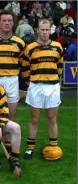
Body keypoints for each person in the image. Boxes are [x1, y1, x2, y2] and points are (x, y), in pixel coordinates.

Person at [21, 19, 64, 160]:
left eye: (47, 30)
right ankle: (30, 149)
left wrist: (52, 79)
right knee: (34, 119)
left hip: (52, 86)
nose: (45, 32)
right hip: (36, 86)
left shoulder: (57, 47)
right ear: (37, 31)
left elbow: (59, 67)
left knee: (52, 118)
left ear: (50, 30)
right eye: (42, 29)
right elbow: (25, 68)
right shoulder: (30, 48)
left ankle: (53, 147)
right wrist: (30, 82)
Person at [0, 10, 25, 153]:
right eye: (4, 20)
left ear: (13, 23)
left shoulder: (19, 42)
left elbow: (22, 62)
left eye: (9, 21)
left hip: (12, 80)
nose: (7, 23)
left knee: (10, 116)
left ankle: (8, 146)